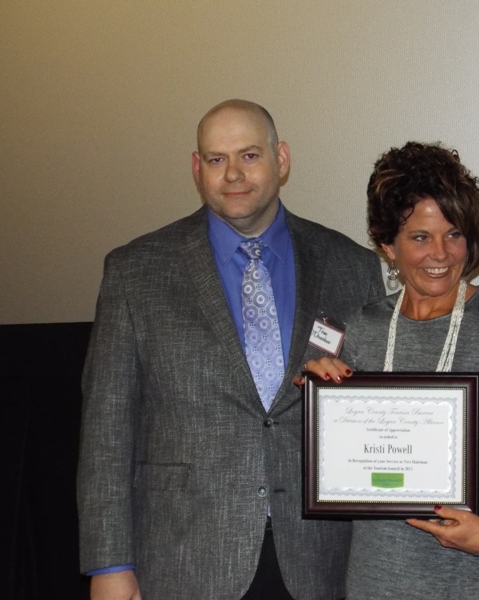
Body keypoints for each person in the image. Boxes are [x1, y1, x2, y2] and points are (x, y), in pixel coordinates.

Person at [77, 99, 384, 600]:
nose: (233, 174)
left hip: (322, 560)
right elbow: (106, 432)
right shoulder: (136, 271)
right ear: (196, 168)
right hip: (185, 559)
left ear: (281, 160)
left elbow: (376, 414)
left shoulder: (351, 266)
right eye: (216, 159)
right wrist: (109, 565)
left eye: (249, 155)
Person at [303, 142, 479, 599]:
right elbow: (337, 458)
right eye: (420, 237)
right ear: (388, 246)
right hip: (376, 578)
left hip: (475, 577)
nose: (441, 253)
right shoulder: (363, 326)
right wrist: (318, 396)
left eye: (453, 234)